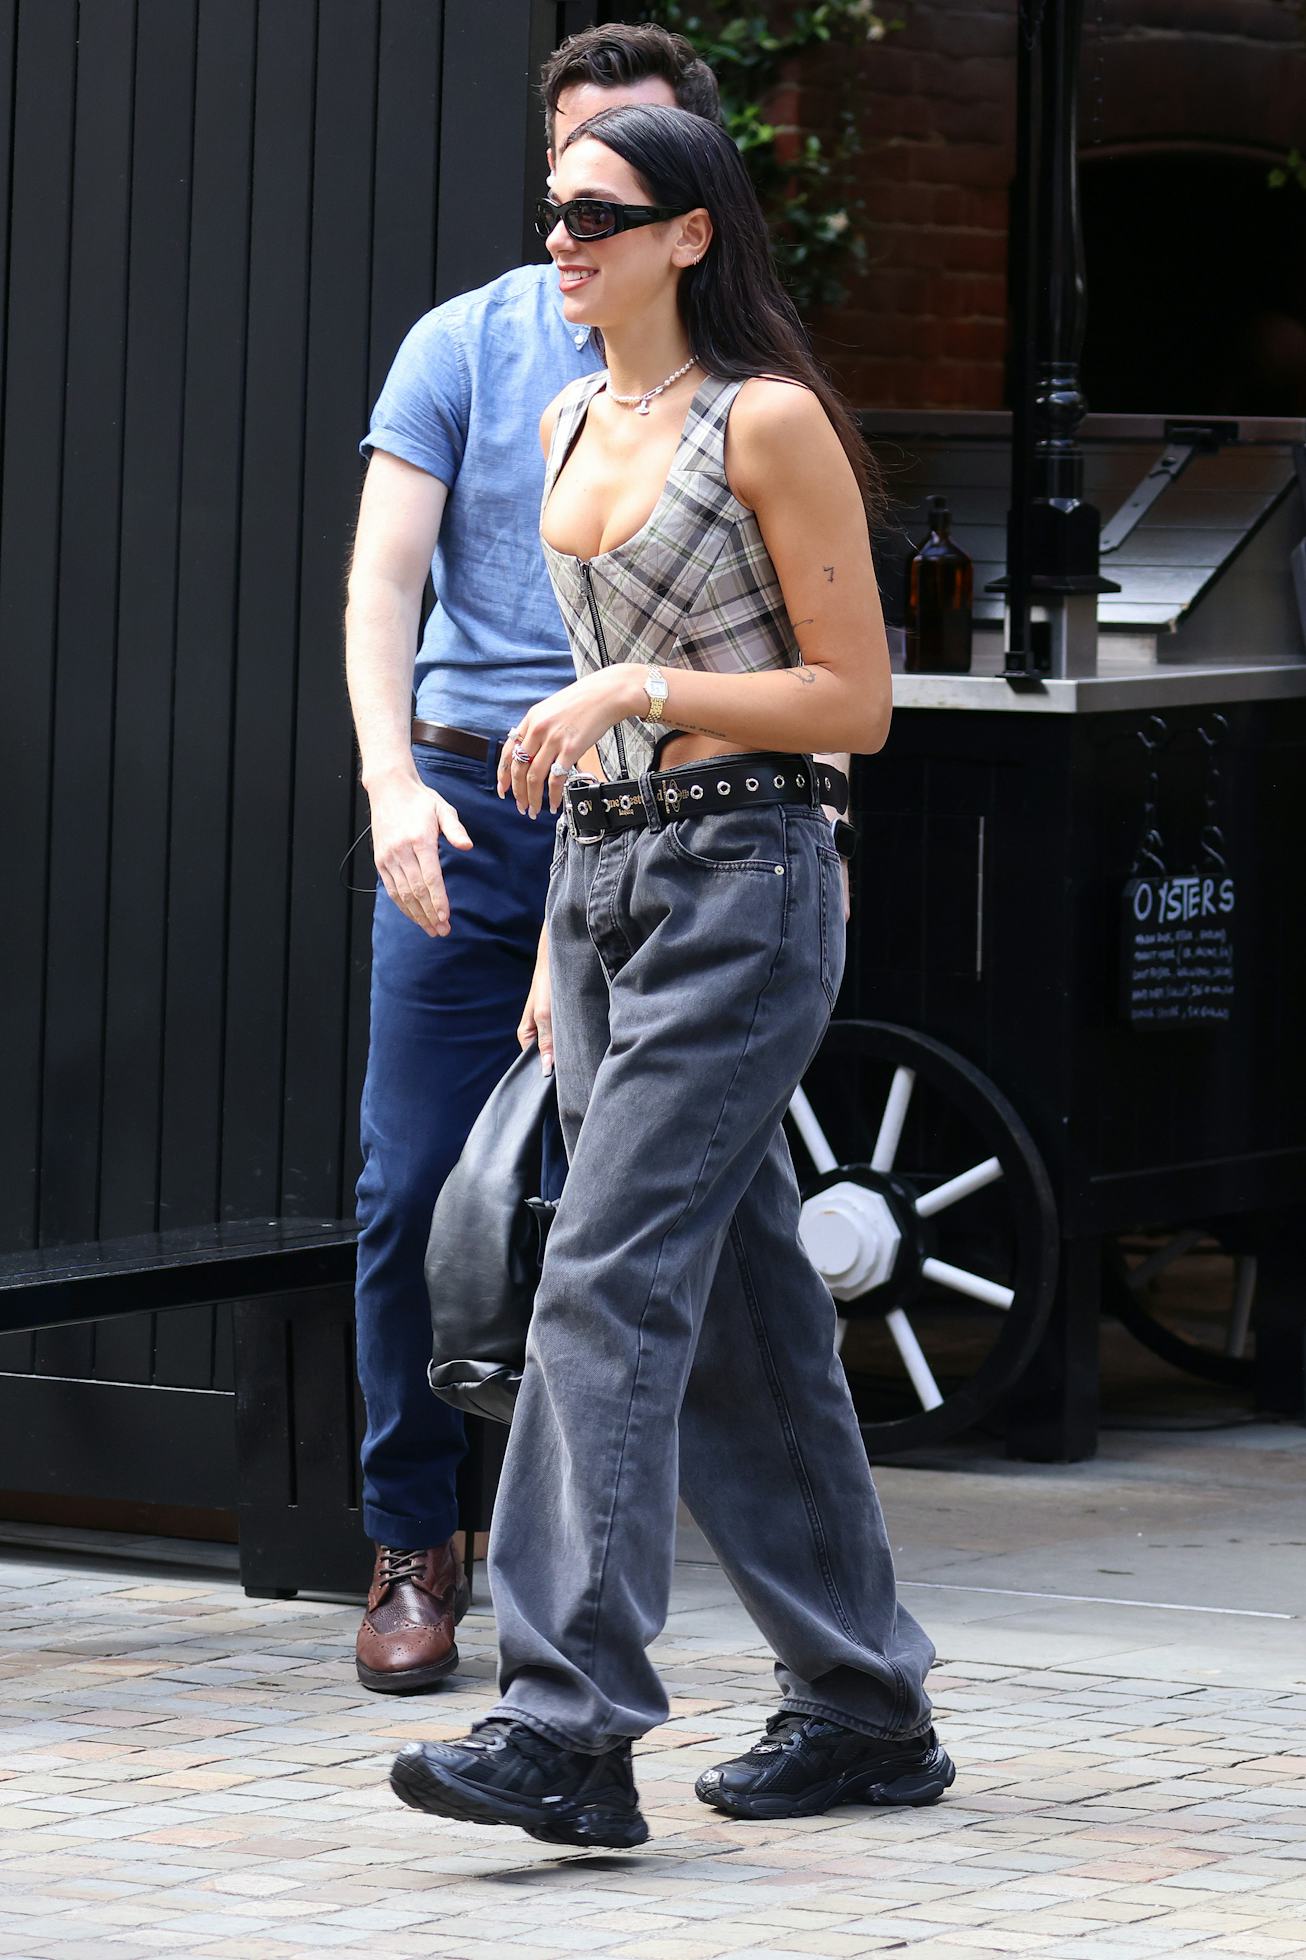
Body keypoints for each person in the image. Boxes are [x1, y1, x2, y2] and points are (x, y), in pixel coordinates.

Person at [390, 103, 953, 1846]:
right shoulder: (568, 415)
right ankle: (862, 1708)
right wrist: (563, 941)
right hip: (610, 886)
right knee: (751, 1324)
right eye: (551, 213)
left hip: (745, 878)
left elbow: (852, 699)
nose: (558, 241)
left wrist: (637, 695)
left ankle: (569, 1724)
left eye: (593, 216)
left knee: (604, 1282)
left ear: (686, 235)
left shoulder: (765, 423)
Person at [345, 26, 722, 1695]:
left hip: (649, 818)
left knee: (621, 1211)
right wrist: (387, 789)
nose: (573, 221)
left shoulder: (728, 380)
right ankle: (409, 1538)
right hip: (465, 810)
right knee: (412, 1183)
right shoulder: (464, 342)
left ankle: (577, 1564)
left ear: (685, 200)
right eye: (560, 180)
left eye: (612, 186)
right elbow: (382, 590)